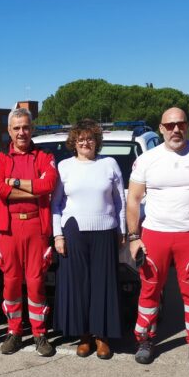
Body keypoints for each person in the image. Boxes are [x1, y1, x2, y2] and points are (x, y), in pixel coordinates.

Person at [127, 107, 189, 369]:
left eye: (180, 124)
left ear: (187, 125)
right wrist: (134, 237)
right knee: (150, 289)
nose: (175, 129)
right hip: (154, 235)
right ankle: (145, 339)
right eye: (169, 125)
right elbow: (133, 198)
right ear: (161, 128)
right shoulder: (148, 159)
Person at [51, 120, 125, 360]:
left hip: (105, 230)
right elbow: (56, 204)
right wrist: (58, 235)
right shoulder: (64, 167)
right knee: (79, 286)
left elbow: (120, 201)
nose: (85, 142)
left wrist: (122, 230)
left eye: (90, 138)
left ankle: (102, 337)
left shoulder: (109, 164)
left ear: (97, 141)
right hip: (73, 232)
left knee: (103, 285)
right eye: (81, 139)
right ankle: (84, 336)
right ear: (74, 142)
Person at [0, 108, 57, 357]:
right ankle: (14, 331)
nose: (21, 132)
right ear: (9, 131)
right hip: (9, 228)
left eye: (25, 127)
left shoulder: (44, 156)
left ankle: (39, 333)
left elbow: (49, 184)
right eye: (16, 128)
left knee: (36, 283)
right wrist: (33, 189)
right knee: (11, 282)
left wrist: (14, 183)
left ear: (32, 129)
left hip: (36, 226)